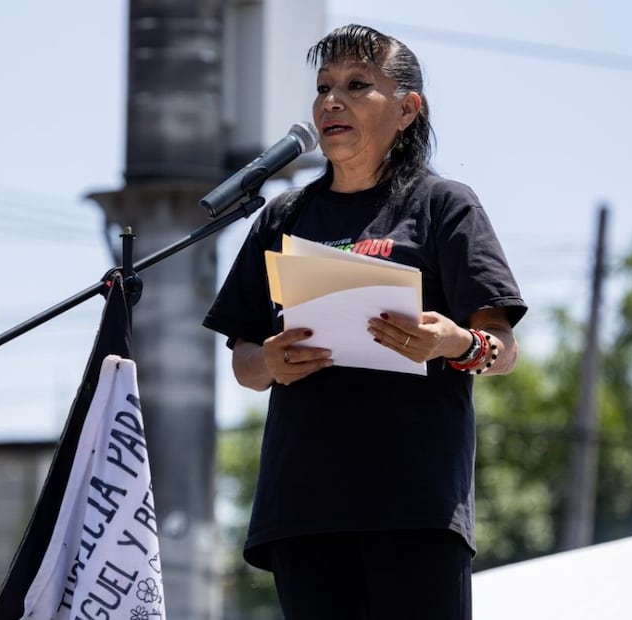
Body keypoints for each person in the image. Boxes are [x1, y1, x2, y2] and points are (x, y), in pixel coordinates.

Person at [204, 24, 528, 619]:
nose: (332, 101)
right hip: (304, 509)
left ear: (408, 110)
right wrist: (270, 360)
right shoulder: (283, 216)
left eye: (357, 85)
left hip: (415, 507)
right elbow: (245, 363)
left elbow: (502, 349)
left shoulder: (443, 206)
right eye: (324, 86)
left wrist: (454, 341)